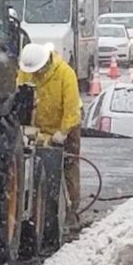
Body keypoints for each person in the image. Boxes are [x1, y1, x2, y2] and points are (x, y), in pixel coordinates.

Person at [17, 43, 81, 231]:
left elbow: (72, 109)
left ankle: (71, 211)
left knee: (68, 167)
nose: (34, 75)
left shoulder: (65, 74)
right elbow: (19, 94)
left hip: (64, 127)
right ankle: (41, 209)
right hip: (37, 127)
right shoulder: (27, 72)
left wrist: (62, 132)